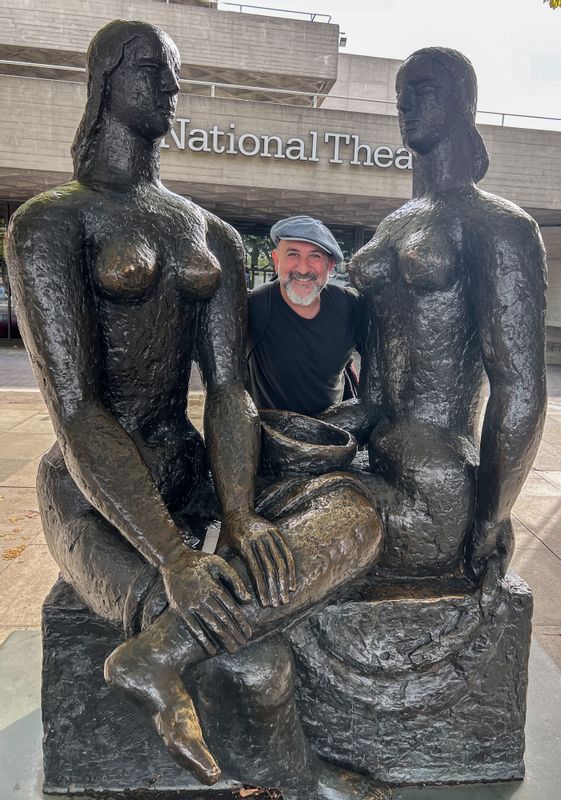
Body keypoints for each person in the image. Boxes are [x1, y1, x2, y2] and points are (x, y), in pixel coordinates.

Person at [7, 20, 390, 800]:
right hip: (97, 492)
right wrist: (174, 558)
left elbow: (227, 392)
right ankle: (292, 777)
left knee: (356, 511)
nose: (172, 89)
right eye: (154, 70)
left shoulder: (207, 230)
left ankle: (158, 654)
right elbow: (76, 411)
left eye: (175, 75)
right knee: (251, 657)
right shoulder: (50, 221)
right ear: (106, 80)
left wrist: (241, 514)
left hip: (192, 476)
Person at [325, 46, 547, 582]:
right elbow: (376, 382)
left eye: (424, 91)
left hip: (436, 470)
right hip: (374, 439)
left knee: (315, 534)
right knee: (253, 471)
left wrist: (492, 515)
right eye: (402, 94)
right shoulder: (393, 224)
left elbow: (520, 392)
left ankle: (177, 646)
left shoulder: (499, 225)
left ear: (465, 104)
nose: (406, 104)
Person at [247, 216, 365, 416]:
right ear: (276, 260)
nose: (303, 269)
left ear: (330, 264)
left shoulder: (350, 306)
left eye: (315, 256)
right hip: (269, 436)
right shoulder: (253, 306)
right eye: (293, 254)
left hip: (331, 433)